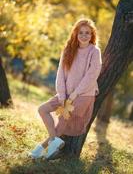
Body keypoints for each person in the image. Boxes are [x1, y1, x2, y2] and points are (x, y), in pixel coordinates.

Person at [29, 18, 102, 159]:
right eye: (81, 32)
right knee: (42, 109)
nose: (84, 35)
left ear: (92, 34)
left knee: (62, 122)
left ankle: (39, 152)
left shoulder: (94, 51)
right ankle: (52, 142)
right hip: (65, 94)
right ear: (75, 33)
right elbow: (60, 74)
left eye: (87, 32)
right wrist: (62, 96)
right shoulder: (68, 50)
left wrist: (75, 94)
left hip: (83, 95)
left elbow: (92, 75)